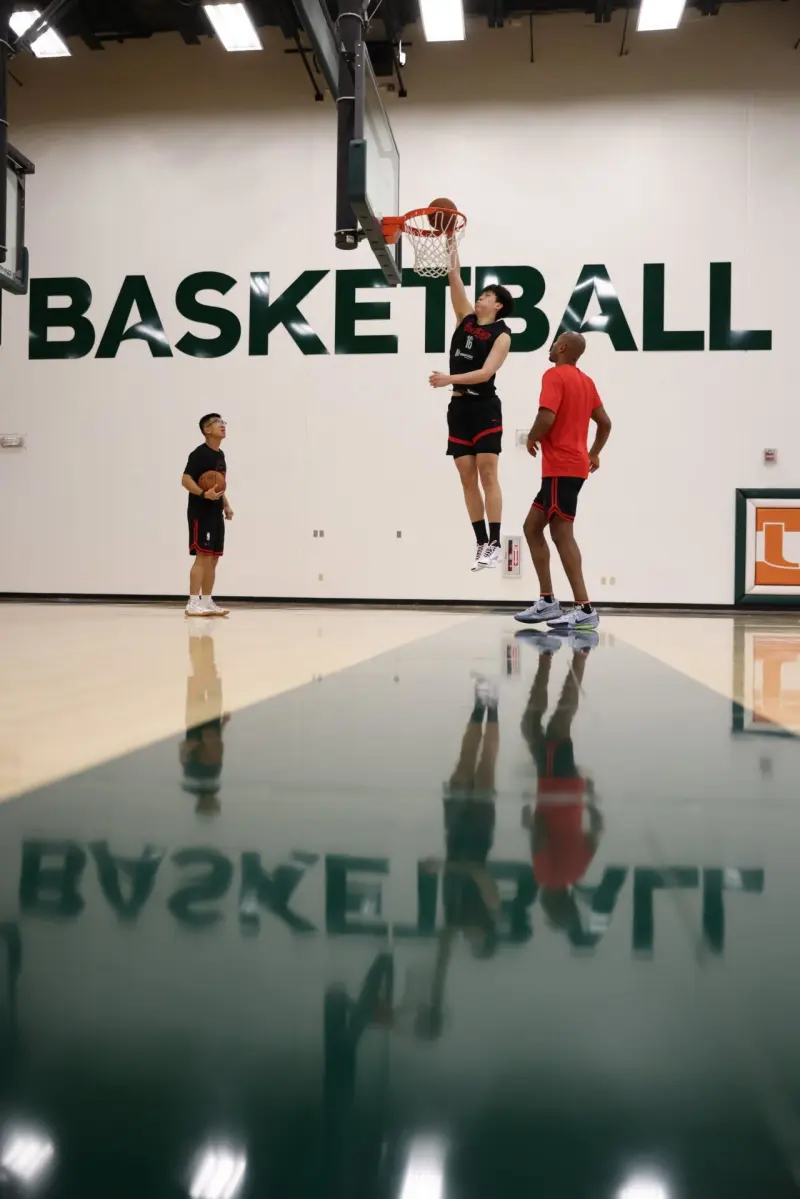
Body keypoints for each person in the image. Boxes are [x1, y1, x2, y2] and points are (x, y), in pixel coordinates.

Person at [514, 332, 612, 631]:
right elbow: (605, 423)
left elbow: (546, 417)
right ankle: (547, 601)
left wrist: (531, 436)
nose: (551, 346)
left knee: (561, 533)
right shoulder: (586, 381)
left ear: (563, 347)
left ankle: (584, 608)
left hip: (561, 467)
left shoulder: (554, 375)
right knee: (531, 527)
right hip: (571, 466)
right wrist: (592, 453)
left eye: (555, 341)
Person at [429, 254, 514, 572]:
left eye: (486, 296)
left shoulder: (502, 336)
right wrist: (450, 240)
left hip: (484, 407)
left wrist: (448, 378)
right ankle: (481, 543)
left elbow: (485, 372)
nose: (479, 299)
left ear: (498, 305)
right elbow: (454, 277)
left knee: (488, 473)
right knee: (467, 478)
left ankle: (495, 541)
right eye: (479, 295)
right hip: (459, 408)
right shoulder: (464, 319)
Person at [182, 413, 234, 618]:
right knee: (202, 557)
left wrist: (226, 505)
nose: (223, 426)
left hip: (215, 512)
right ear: (207, 430)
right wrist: (204, 494)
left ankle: (207, 601)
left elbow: (218, 485)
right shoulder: (199, 454)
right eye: (218, 423)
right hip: (200, 512)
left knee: (213, 559)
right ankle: (193, 602)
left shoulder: (220, 456)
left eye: (224, 422)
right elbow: (185, 480)